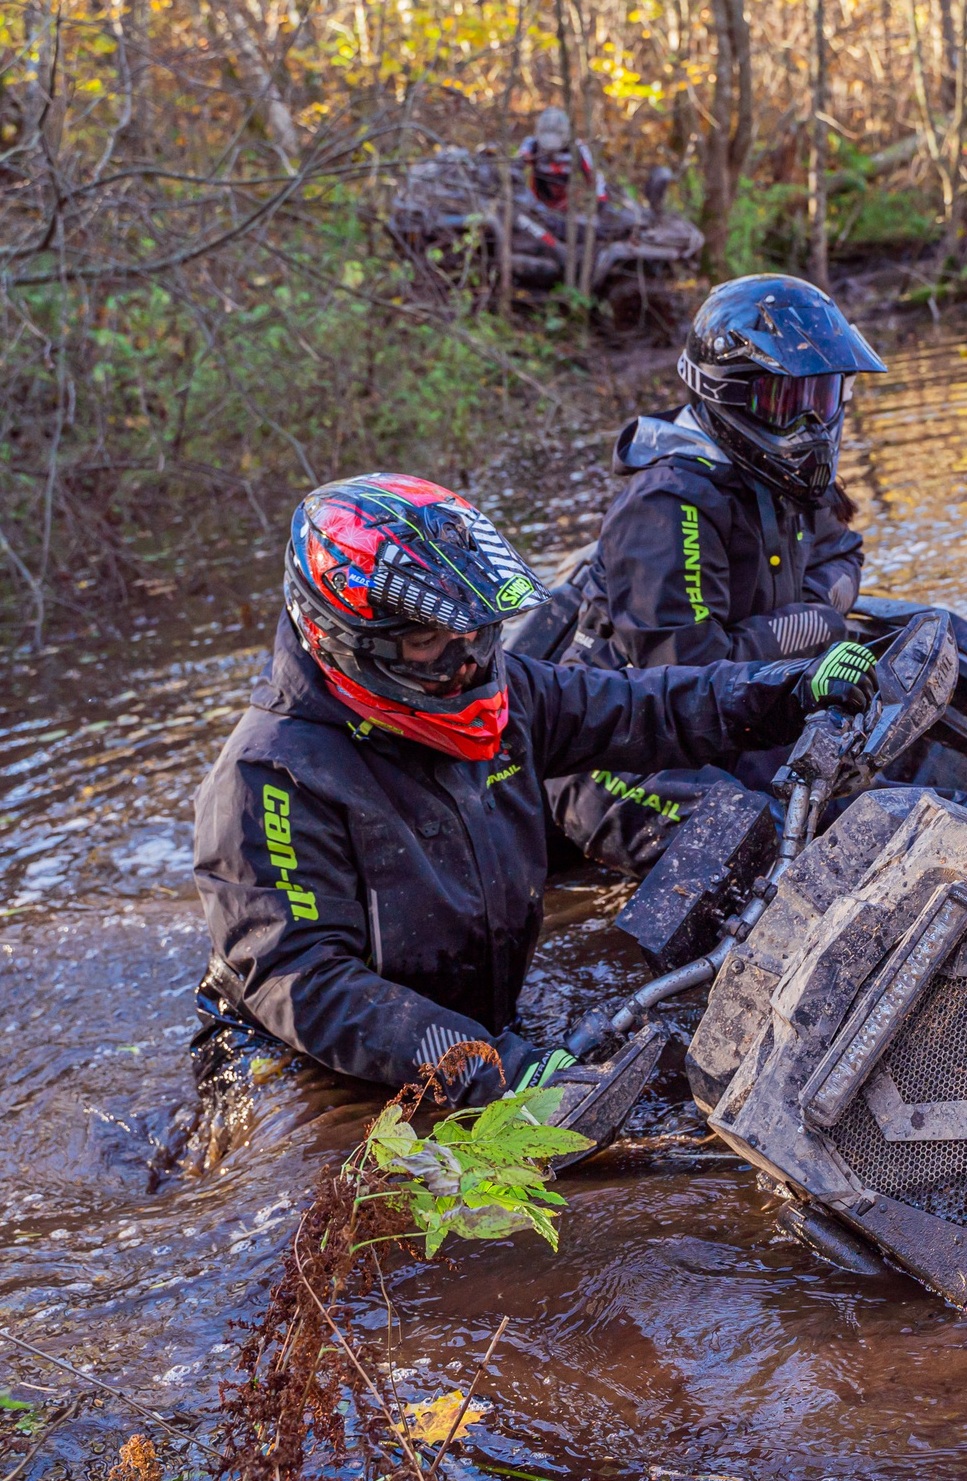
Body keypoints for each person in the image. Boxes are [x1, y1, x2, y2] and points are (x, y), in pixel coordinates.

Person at [189, 473, 877, 1146]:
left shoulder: (498, 690)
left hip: (469, 1028)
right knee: (362, 1191)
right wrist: (491, 1067)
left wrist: (783, 691)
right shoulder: (268, 776)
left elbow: (640, 707)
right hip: (298, 1063)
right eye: (427, 641)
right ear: (344, 641)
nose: (466, 660)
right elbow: (306, 981)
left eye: (474, 630)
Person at [546, 273, 888, 873]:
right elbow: (691, 671)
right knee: (775, 849)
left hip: (750, 705)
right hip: (621, 748)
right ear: (730, 395)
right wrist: (808, 628)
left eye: (824, 397)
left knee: (877, 800)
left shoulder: (787, 473)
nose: (811, 422)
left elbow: (843, 553)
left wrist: (805, 616)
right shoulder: (666, 504)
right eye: (788, 402)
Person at [518, 106, 605, 214]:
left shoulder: (577, 147)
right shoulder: (531, 144)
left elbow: (593, 175)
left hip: (567, 209)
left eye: (556, 134)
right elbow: (516, 167)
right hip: (535, 206)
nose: (551, 140)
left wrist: (600, 197)